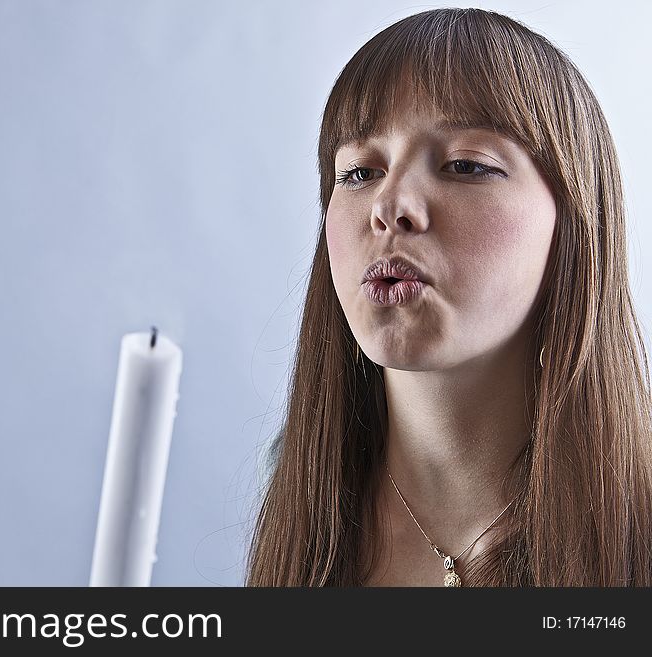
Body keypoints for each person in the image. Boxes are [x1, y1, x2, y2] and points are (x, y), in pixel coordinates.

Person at [246, 7, 652, 586]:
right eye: (360, 172)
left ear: (575, 223)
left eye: (465, 164)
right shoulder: (296, 490)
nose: (390, 207)